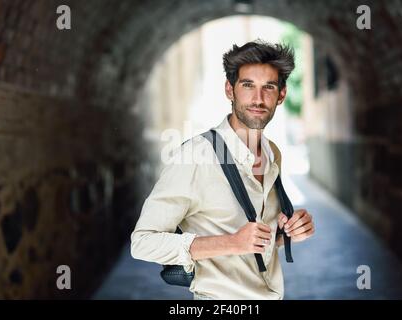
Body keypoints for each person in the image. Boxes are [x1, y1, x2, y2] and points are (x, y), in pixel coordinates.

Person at [130, 40, 315, 300]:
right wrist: (231, 242)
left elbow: (256, 239)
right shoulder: (195, 156)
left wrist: (289, 232)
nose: (258, 99)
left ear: (281, 95)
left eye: (269, 87)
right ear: (230, 90)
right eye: (248, 85)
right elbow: (142, 243)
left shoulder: (273, 152)